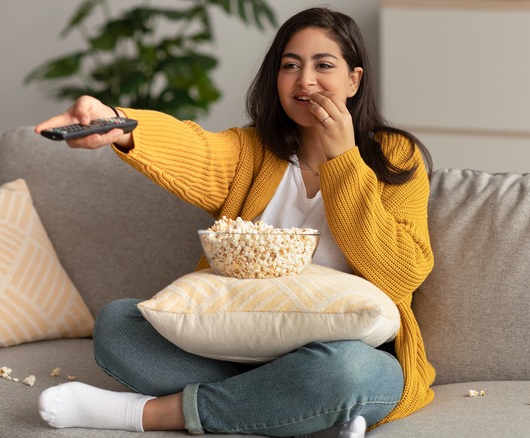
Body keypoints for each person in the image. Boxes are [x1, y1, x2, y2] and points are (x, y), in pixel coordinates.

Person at [34, 6, 435, 438]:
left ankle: (149, 414)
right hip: (236, 350)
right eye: (290, 66)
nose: (305, 81)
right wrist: (118, 124)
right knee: (119, 325)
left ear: (353, 80)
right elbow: (194, 148)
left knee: (353, 372)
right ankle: (297, 411)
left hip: (344, 355)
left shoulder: (394, 156)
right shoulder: (252, 151)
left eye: (324, 65)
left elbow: (403, 272)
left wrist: (343, 160)